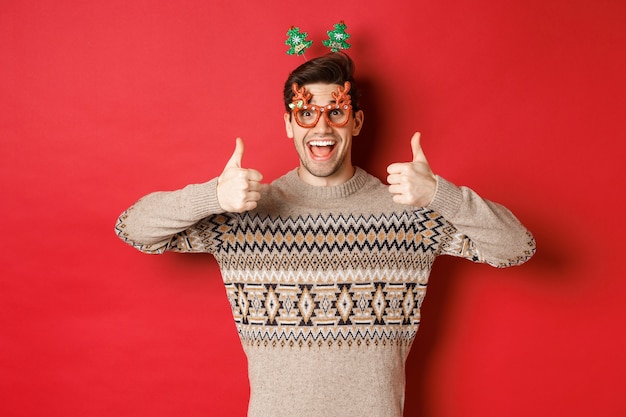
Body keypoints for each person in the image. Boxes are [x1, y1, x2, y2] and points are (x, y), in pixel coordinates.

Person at [115, 52, 535, 417]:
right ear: (288, 124)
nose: (321, 127)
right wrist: (210, 196)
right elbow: (133, 229)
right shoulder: (242, 213)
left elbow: (518, 248)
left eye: (335, 112)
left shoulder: (410, 214)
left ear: (355, 122)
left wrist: (441, 195)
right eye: (306, 112)